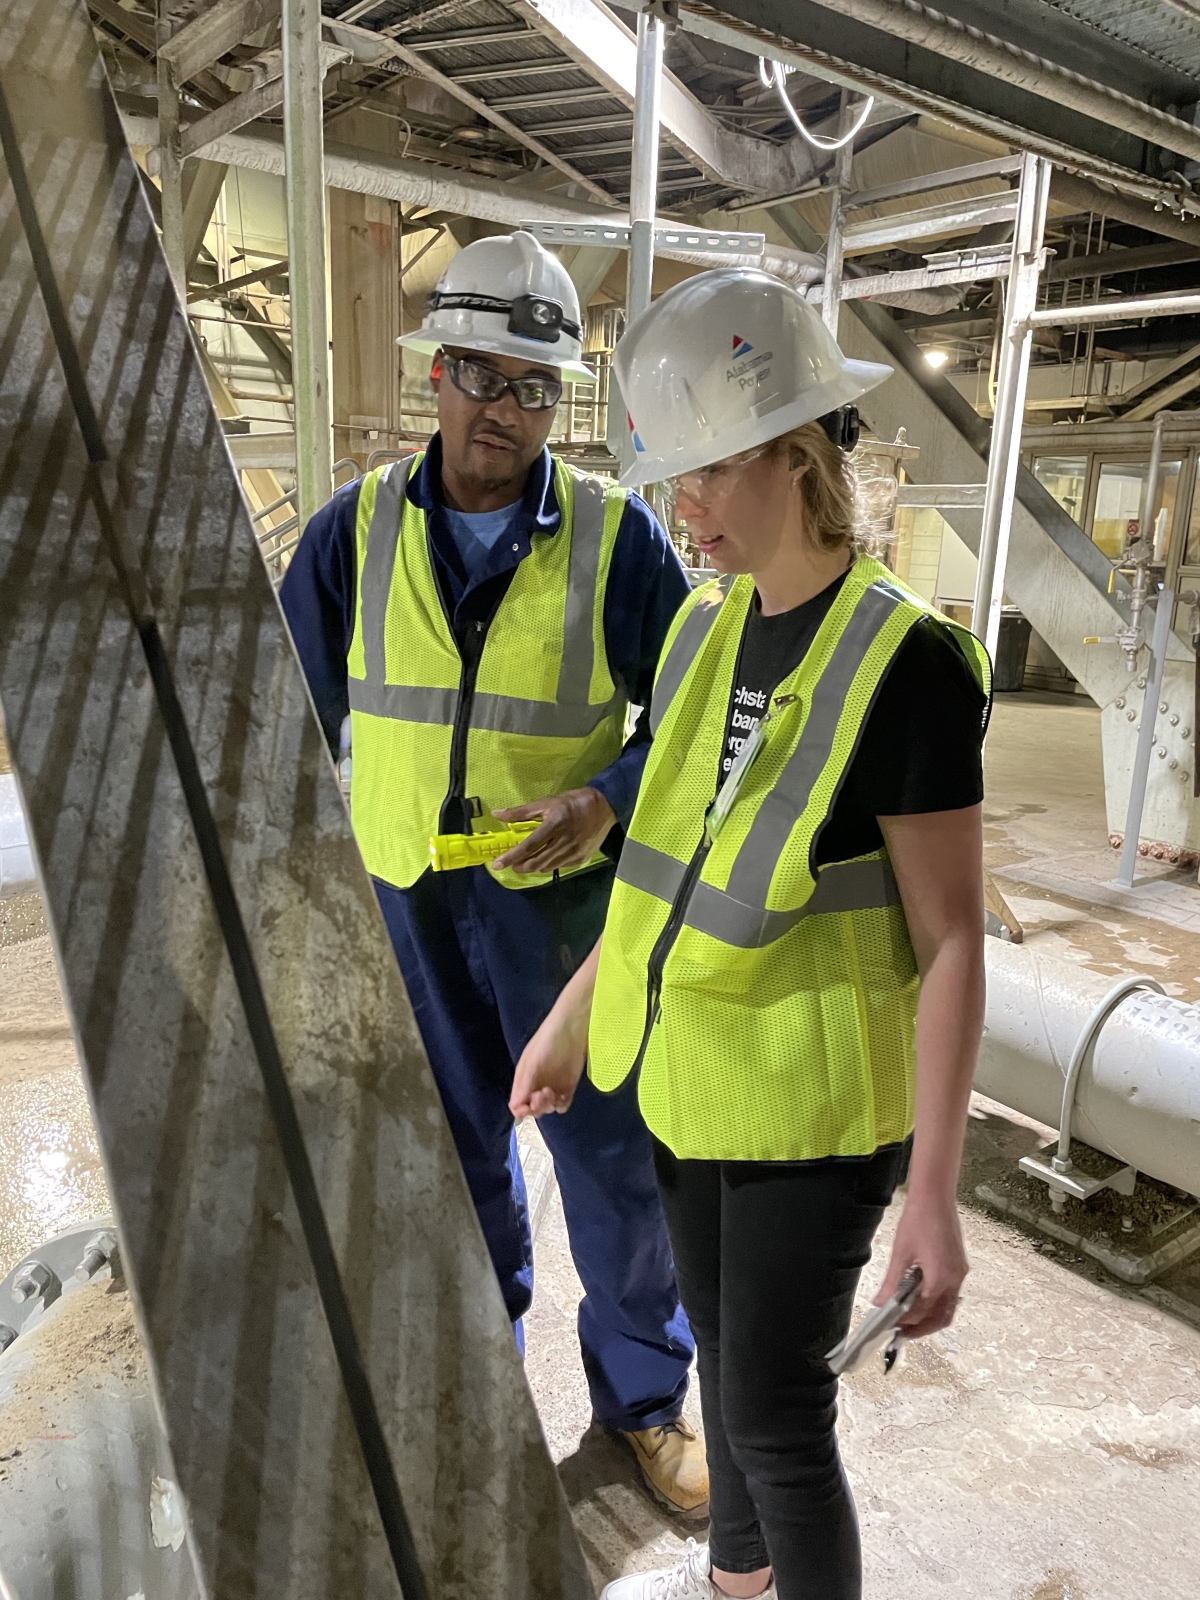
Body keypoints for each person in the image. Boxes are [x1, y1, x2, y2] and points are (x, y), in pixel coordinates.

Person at [510, 268, 991, 1600]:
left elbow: (954, 942)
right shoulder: (702, 637)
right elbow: (664, 879)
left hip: (814, 1127)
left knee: (779, 1422)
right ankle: (736, 1589)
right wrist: (572, 1019)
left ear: (793, 455)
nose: (684, 507)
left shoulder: (905, 666)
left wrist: (937, 1196)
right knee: (732, 1387)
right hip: (688, 1092)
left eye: (707, 472)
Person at [280, 231, 707, 1515]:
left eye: (534, 385)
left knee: (614, 1168)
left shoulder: (617, 538)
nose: (505, 410)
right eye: (481, 373)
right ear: (435, 375)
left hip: (565, 920)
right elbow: (275, 716)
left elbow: (693, 724)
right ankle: (479, 1379)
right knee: (450, 1160)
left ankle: (642, 1403)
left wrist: (605, 800)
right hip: (406, 903)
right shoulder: (351, 534)